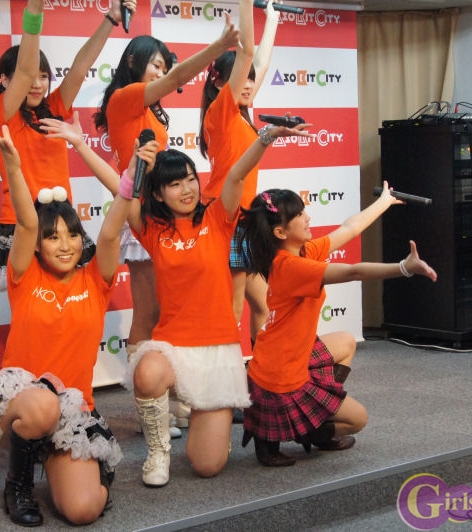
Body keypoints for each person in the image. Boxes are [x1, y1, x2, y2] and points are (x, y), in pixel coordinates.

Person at [0, 121, 158, 527]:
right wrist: (14, 168)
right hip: (24, 404)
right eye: (53, 237)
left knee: (84, 510)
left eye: (72, 235)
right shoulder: (24, 275)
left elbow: (111, 232)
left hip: (73, 412)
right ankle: (18, 486)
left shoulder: (95, 279)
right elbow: (27, 223)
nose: (65, 245)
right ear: (38, 245)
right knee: (43, 404)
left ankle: (79, 466)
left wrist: (132, 178)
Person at [121, 122, 313, 487]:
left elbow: (238, 173)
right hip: (173, 347)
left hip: (218, 352)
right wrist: (133, 167)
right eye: (175, 184)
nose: (187, 189)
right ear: (158, 194)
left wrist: (267, 137)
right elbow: (123, 197)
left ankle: (210, 425)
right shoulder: (152, 230)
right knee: (147, 371)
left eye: (190, 179)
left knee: (207, 465)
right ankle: (158, 451)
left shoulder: (217, 216)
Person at [93, 16, 240, 431]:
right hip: (140, 212)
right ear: (133, 62)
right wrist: (220, 46)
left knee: (166, 309)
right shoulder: (125, 98)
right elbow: (178, 78)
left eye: (163, 66)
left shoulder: (146, 108)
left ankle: (174, 398)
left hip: (158, 211)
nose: (161, 72)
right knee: (148, 311)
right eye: (154, 64)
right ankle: (150, 410)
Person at [237, 184, 438, 466]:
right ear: (280, 232)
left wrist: (384, 202)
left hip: (289, 354)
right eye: (299, 215)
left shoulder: (303, 251)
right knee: (358, 420)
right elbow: (353, 271)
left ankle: (313, 417)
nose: (307, 218)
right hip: (280, 373)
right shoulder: (291, 267)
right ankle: (298, 430)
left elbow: (349, 228)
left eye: (303, 211)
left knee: (345, 341)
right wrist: (404, 267)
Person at [0, 0, 137, 290]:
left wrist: (111, 18)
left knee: (64, 300)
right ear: (4, 80)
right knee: (31, 304)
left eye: (43, 76)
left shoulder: (54, 108)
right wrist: (35, 10)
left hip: (61, 222)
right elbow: (24, 71)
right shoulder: (1, 114)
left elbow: (81, 68)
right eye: (30, 77)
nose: (37, 84)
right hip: (23, 225)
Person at [199, 0, 281, 345]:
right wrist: (247, 7)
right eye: (241, 79)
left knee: (263, 305)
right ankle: (222, 374)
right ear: (218, 81)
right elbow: (248, 55)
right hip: (224, 218)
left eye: (251, 81)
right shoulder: (221, 113)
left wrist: (272, 19)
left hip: (246, 219)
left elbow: (258, 63)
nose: (249, 85)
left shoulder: (243, 111)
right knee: (231, 309)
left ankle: (261, 371)